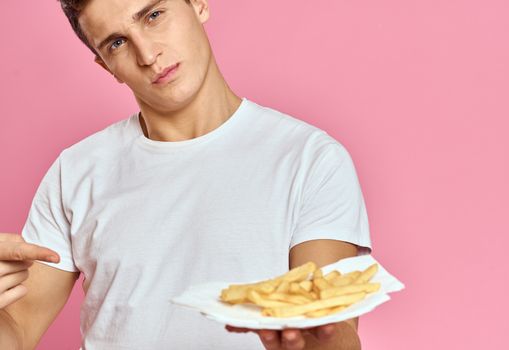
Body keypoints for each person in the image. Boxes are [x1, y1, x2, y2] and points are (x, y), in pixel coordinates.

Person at [0, 0, 372, 349]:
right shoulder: (76, 170)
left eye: (154, 15)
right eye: (117, 43)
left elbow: (335, 327)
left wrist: (309, 339)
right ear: (104, 65)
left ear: (197, 2)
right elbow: (16, 330)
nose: (148, 55)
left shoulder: (310, 159)